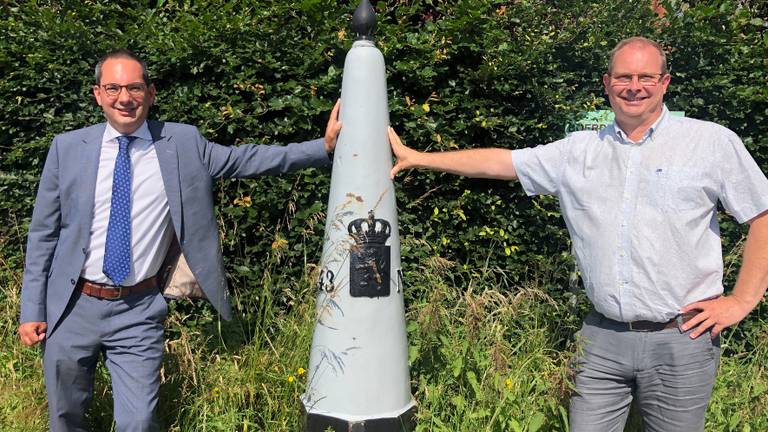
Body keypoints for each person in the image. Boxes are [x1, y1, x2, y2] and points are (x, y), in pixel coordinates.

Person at [388, 36, 768, 431]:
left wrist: (741, 300)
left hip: (682, 338)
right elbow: (503, 162)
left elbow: (762, 214)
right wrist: (420, 158)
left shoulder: (710, 142)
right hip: (601, 339)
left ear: (665, 82)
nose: (634, 86)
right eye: (623, 76)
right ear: (607, 83)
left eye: (645, 76)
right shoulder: (578, 151)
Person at [17, 48, 341, 432]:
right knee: (65, 417)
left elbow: (247, 159)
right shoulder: (67, 148)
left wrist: (322, 148)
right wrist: (32, 308)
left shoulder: (182, 143)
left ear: (151, 93)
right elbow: (43, 235)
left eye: (135, 87)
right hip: (71, 307)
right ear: (98, 94)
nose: (125, 98)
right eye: (114, 87)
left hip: (137, 310)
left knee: (138, 422)